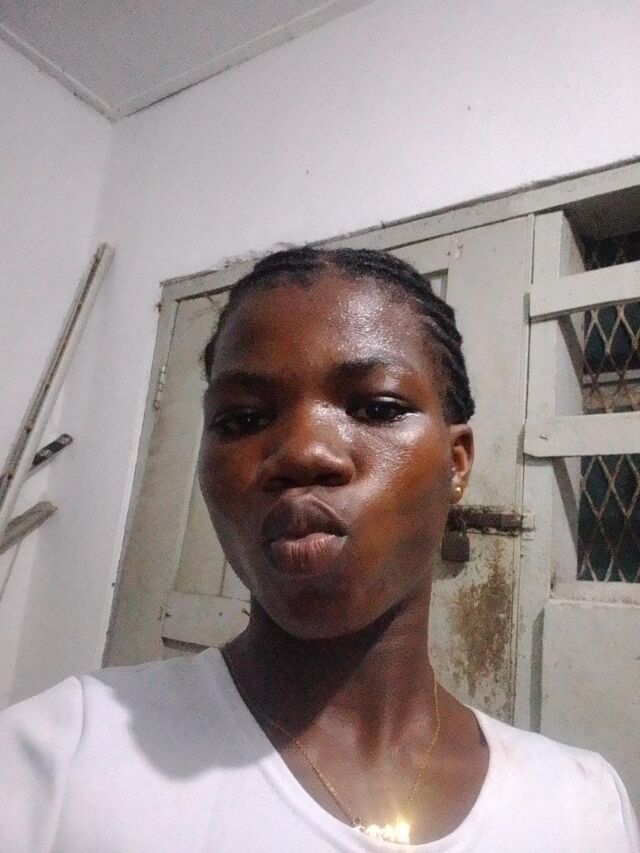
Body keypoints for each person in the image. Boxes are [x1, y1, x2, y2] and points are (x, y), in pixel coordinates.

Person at [0, 247, 638, 852]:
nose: (304, 452)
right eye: (243, 419)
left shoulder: (582, 808)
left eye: (377, 407)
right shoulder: (59, 758)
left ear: (457, 463)